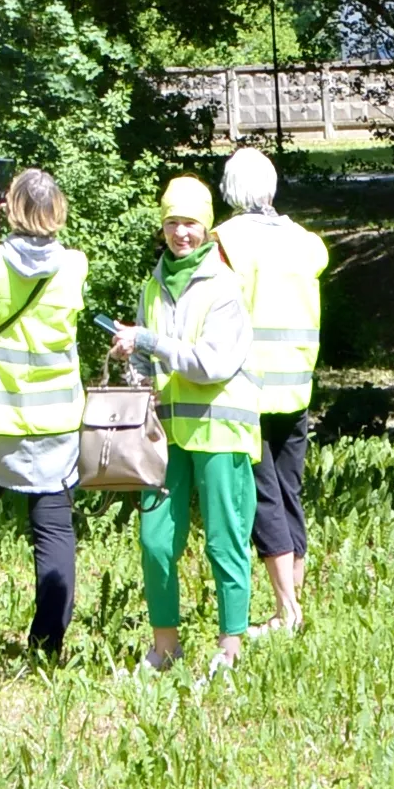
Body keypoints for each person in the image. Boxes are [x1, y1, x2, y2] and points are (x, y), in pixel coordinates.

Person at [110, 174, 261, 678]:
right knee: (154, 540)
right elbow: (150, 364)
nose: (182, 233)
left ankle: (231, 646)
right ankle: (165, 647)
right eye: (173, 222)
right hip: (165, 436)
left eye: (191, 223)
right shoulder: (153, 285)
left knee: (225, 540)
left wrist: (148, 341)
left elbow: (212, 365)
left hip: (221, 433)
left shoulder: (224, 286)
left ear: (207, 227)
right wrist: (132, 361)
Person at [0, 167, 86, 662]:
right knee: (53, 530)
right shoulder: (75, 264)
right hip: (57, 420)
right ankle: (48, 642)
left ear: (8, 208)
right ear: (58, 212)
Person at [217, 147, 329, 631]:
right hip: (297, 385)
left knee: (262, 497)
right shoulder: (304, 241)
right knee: (290, 490)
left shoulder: (226, 241)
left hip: (249, 388)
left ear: (229, 188)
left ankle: (287, 610)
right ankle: (294, 594)